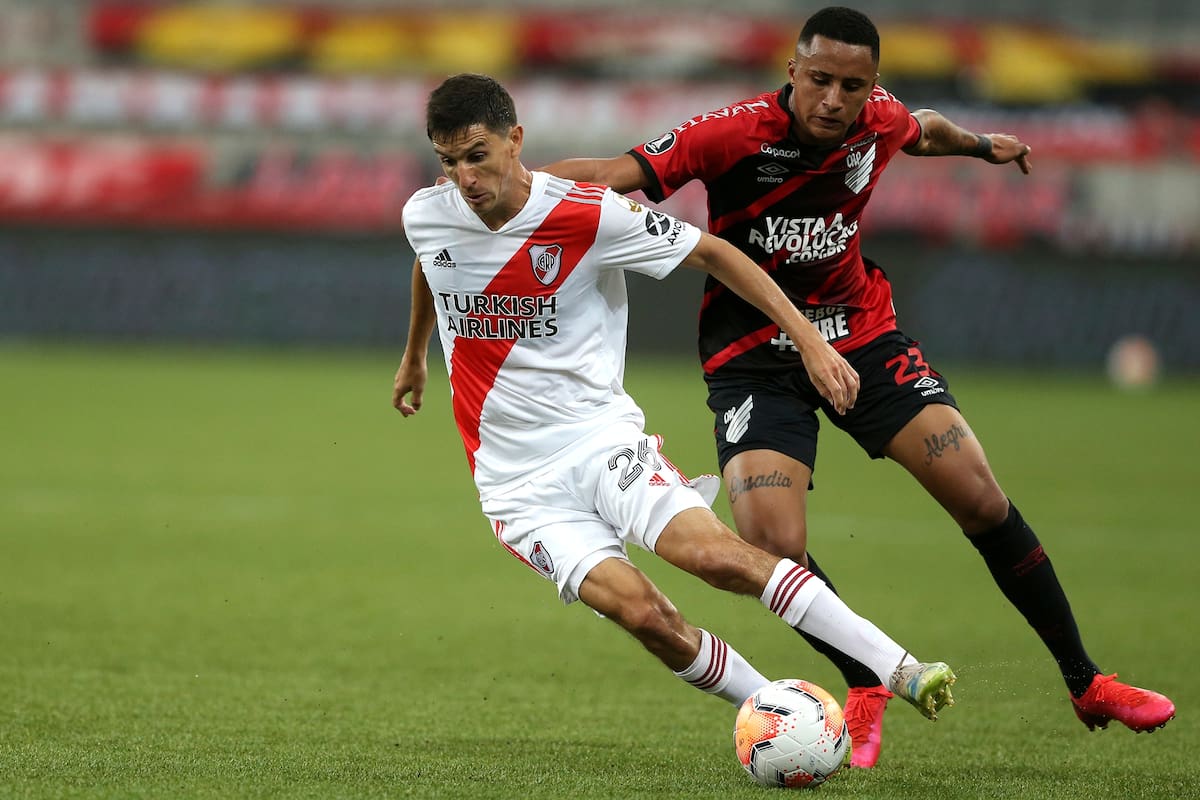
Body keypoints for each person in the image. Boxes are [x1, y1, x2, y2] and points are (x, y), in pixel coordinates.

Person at [542, 5, 1175, 768]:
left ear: (871, 84)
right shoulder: (729, 133)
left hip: (859, 334)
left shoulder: (879, 119)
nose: (835, 99)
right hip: (753, 357)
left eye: (853, 84)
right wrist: (507, 185)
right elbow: (616, 176)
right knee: (772, 544)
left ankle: (1087, 681)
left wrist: (982, 146)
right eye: (819, 81)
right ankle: (863, 680)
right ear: (792, 74)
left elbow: (925, 128)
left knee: (978, 495)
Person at [394, 72, 959, 734]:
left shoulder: (588, 213)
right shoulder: (426, 213)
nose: (463, 176)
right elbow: (431, 261)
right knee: (645, 616)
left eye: (477, 154)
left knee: (717, 560)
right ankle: (775, 713)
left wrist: (808, 339)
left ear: (516, 140)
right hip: (516, 487)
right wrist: (414, 355)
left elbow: (716, 254)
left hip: (600, 442)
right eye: (450, 161)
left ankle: (900, 667)